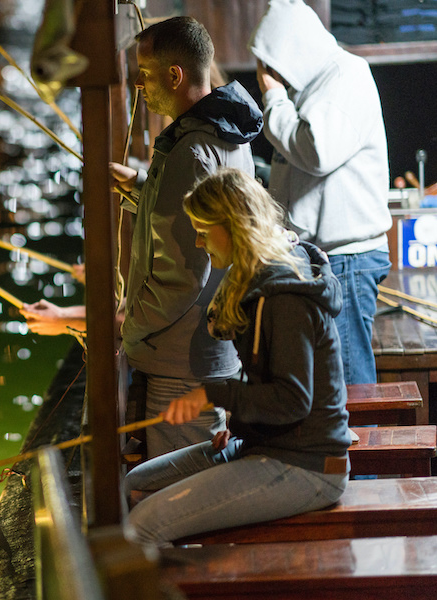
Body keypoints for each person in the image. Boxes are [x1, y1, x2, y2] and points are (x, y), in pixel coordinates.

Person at [24, 16, 263, 458]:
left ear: (175, 76)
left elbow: (182, 278)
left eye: (146, 73)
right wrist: (141, 186)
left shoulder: (191, 151)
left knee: (184, 489)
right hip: (209, 346)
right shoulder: (228, 134)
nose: (137, 83)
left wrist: (127, 329)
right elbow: (198, 215)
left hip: (180, 358)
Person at [123, 168, 351, 546]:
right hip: (266, 444)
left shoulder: (284, 297)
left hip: (308, 465)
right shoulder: (256, 277)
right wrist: (244, 423)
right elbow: (270, 382)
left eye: (202, 230)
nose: (198, 243)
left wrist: (213, 394)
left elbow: (293, 400)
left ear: (233, 226)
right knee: (135, 483)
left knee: (142, 524)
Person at [249, 0, 392, 384]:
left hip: (346, 260)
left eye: (272, 65)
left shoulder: (347, 76)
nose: (270, 75)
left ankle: (358, 447)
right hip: (325, 258)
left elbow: (315, 152)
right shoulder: (316, 83)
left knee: (346, 383)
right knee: (331, 381)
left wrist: (273, 97)